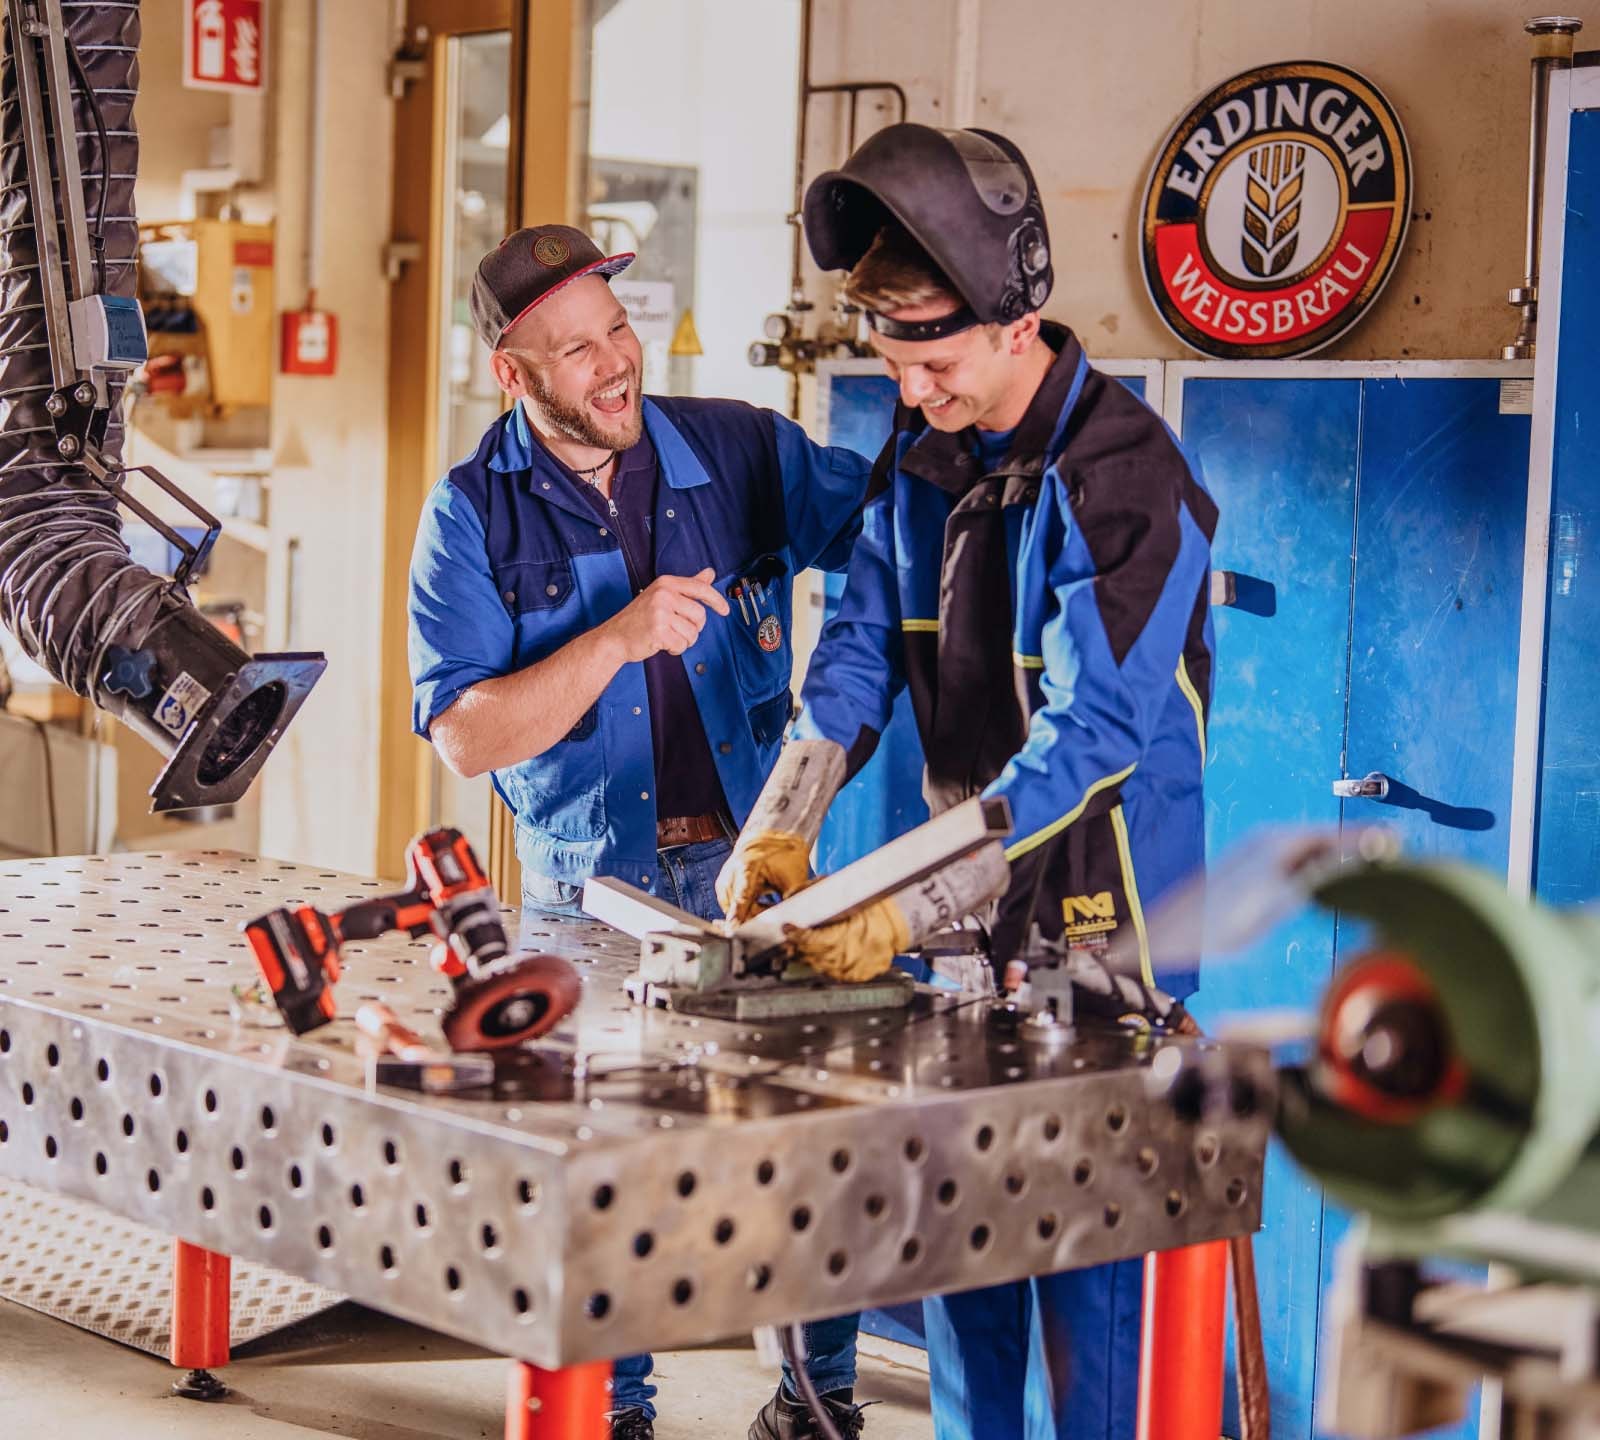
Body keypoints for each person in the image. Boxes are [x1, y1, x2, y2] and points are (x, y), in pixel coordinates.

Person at [719, 126, 1218, 1440]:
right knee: (964, 1301)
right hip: (967, 947)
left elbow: (1088, 741)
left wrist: (905, 900)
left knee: (1079, 1336)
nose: (915, 391)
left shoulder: (1126, 484)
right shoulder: (924, 453)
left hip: (1103, 960)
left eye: (934, 364)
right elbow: (859, 644)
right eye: (892, 363)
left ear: (1022, 321)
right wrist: (787, 823)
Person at [407, 225, 870, 1440]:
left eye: (618, 329)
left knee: (808, 1143)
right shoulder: (469, 516)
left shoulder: (740, 448)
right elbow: (464, 735)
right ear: (513, 376)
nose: (615, 365)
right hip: (585, 893)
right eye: (575, 351)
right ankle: (611, 1416)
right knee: (601, 1174)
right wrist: (613, 639)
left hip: (756, 871)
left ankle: (818, 1406)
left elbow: (881, 536)